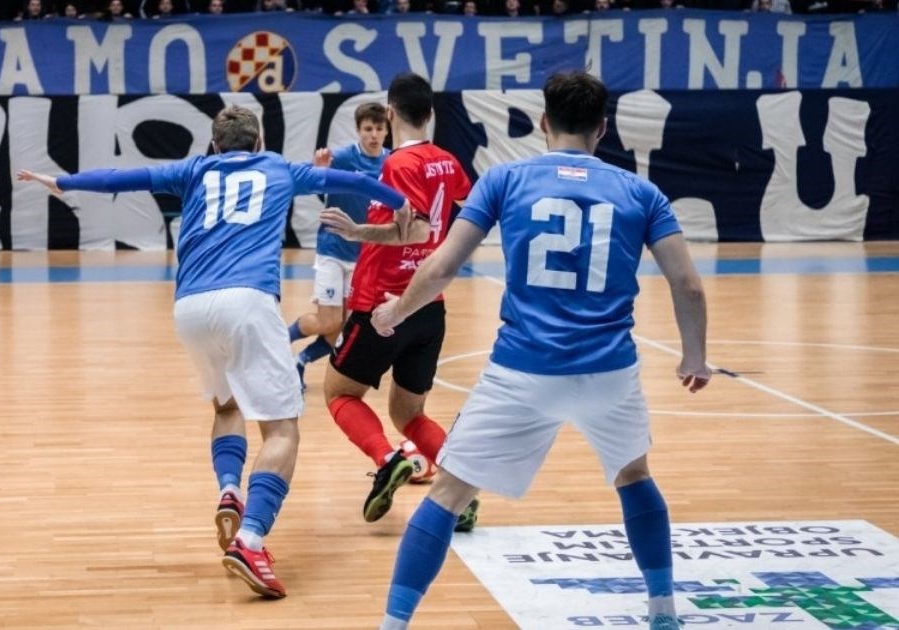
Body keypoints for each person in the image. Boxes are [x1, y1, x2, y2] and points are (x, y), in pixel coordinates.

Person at [16, 105, 409, 600]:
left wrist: (63, 183)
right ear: (259, 141)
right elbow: (353, 182)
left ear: (215, 146)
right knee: (282, 429)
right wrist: (399, 202)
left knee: (226, 407)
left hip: (190, 308)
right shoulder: (279, 168)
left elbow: (124, 176)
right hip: (247, 301)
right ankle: (251, 539)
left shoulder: (194, 169)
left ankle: (230, 490)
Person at [371, 72, 710, 630]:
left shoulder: (505, 180)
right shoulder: (642, 192)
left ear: (544, 122)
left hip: (523, 371)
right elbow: (688, 284)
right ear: (604, 128)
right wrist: (694, 356)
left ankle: (394, 624)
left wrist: (395, 311)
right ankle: (663, 612)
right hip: (608, 372)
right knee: (634, 476)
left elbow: (443, 266)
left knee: (448, 495)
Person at [318, 72, 474, 531]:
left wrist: (356, 231)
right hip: (430, 301)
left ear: (389, 113)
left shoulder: (397, 165)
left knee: (340, 393)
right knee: (409, 413)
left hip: (381, 302)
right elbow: (458, 210)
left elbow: (417, 228)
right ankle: (460, 494)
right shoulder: (447, 160)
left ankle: (388, 460)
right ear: (430, 114)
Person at [288, 102, 388, 392]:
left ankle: (301, 360)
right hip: (333, 249)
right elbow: (315, 188)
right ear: (358, 130)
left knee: (341, 329)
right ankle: (281, 339)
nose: (373, 134)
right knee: (328, 320)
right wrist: (320, 172)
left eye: (379, 128)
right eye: (368, 129)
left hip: (365, 255)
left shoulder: (391, 162)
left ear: (386, 130)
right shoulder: (343, 158)